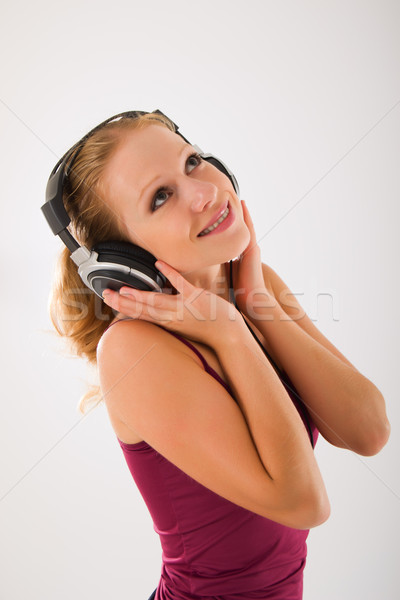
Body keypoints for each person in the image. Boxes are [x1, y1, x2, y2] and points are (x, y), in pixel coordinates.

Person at [45, 110, 390, 600]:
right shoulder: (132, 350)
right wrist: (230, 333)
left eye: (192, 163)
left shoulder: (253, 288)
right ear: (123, 261)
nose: (204, 192)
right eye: (160, 197)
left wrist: (253, 309)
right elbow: (303, 503)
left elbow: (368, 430)